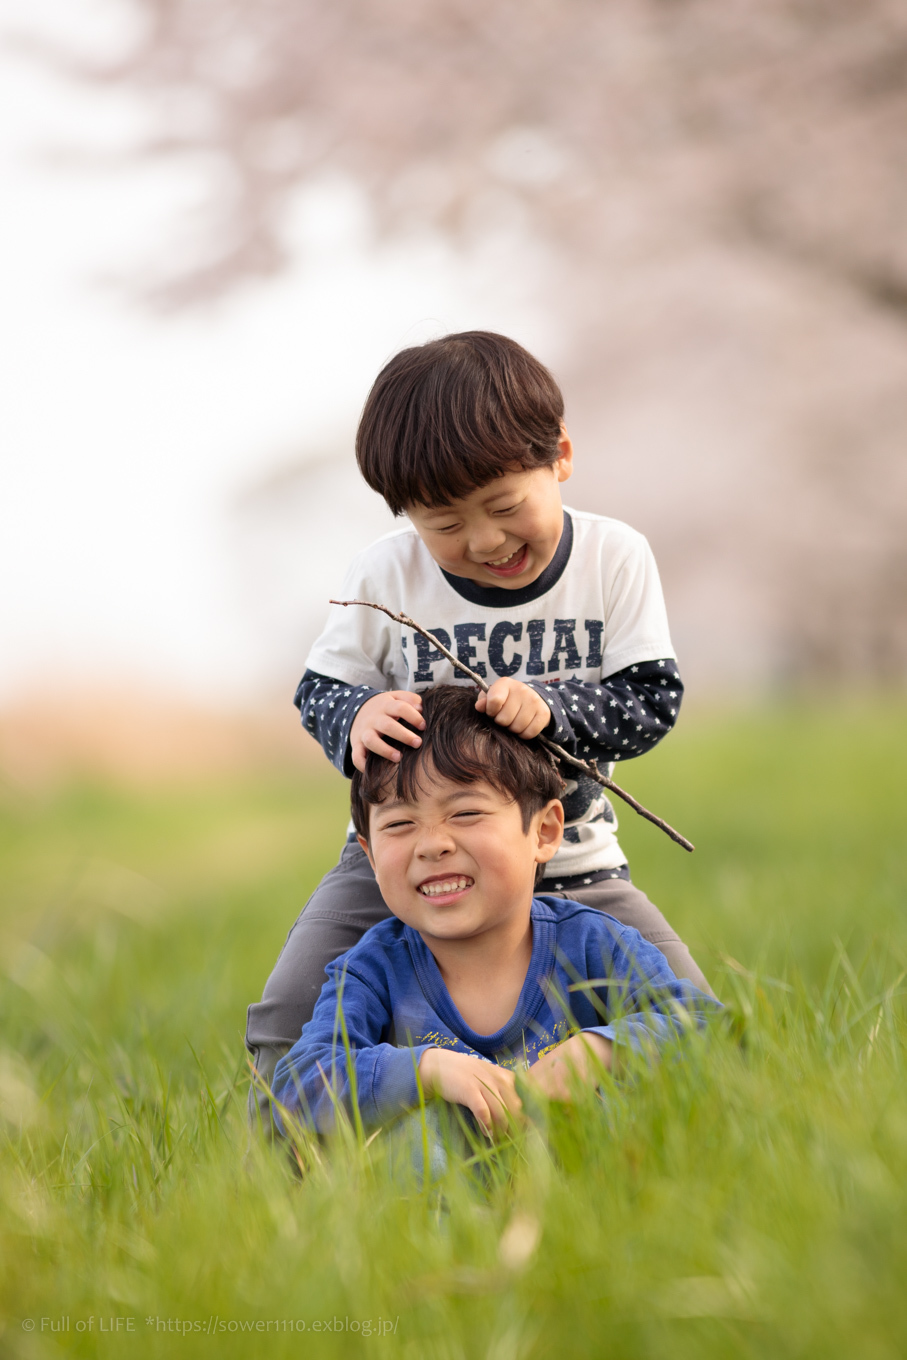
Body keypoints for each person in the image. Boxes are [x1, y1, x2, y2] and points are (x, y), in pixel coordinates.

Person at [247, 330, 712, 1128]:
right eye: (445, 524)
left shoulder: (612, 557)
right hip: (403, 857)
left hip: (570, 856)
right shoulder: (384, 576)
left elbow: (649, 698)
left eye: (504, 507)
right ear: (405, 518)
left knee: (692, 1016)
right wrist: (356, 715)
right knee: (291, 1006)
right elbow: (320, 689)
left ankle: (641, 1144)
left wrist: (557, 711)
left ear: (559, 456)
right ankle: (285, 1162)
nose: (485, 542)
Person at [270, 686, 720, 1138]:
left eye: (465, 813)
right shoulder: (372, 970)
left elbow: (706, 1028)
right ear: (369, 855)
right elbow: (296, 1087)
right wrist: (426, 1072)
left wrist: (602, 1051)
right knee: (418, 1136)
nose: (432, 844)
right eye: (400, 824)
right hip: (433, 1198)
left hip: (588, 1190)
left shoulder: (593, 946)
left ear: (544, 831)